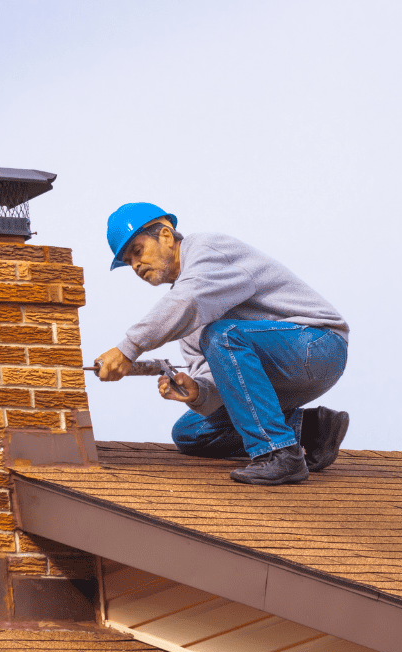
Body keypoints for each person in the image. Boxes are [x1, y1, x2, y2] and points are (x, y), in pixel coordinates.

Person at [95, 202, 350, 486]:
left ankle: (279, 453)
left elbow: (188, 300)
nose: (136, 265)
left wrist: (128, 348)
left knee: (223, 335)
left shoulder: (207, 250)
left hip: (319, 346)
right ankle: (313, 429)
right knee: (191, 432)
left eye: (138, 251)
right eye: (129, 262)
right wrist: (198, 392)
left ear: (166, 235)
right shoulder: (187, 317)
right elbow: (219, 379)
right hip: (282, 373)